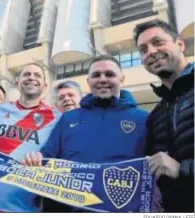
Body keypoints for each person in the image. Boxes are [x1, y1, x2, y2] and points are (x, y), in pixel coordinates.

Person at [22, 56, 149, 212]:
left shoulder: (143, 119)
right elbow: (48, 155)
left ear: (122, 80)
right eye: (96, 75)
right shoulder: (68, 118)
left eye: (109, 74)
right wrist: (36, 158)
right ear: (88, 82)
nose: (102, 79)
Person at [0, 63, 62, 213]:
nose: (31, 77)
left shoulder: (57, 118)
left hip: (25, 209)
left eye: (37, 75)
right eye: (26, 74)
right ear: (17, 83)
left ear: (45, 86)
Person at [134, 19, 194, 213]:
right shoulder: (156, 114)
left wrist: (182, 169)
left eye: (158, 42)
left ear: (180, 44)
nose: (150, 51)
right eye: (143, 49)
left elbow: (176, 168)